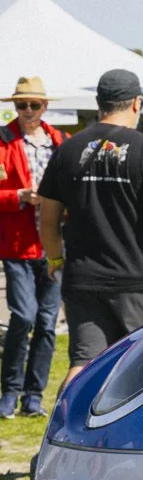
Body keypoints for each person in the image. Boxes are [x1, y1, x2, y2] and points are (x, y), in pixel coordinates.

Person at [37, 70, 143, 388]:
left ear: (99, 104)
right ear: (136, 103)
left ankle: (63, 431)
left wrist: (55, 260)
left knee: (82, 366)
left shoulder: (68, 149)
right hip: (140, 283)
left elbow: (47, 217)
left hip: (83, 279)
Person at [0, 77, 65, 417]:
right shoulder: (2, 139)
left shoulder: (60, 141)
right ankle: (9, 390)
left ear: (45, 106)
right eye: (21, 104)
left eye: (33, 105)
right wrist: (18, 197)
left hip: (53, 245)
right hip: (16, 246)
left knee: (46, 321)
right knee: (23, 316)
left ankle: (33, 396)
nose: (27, 111)